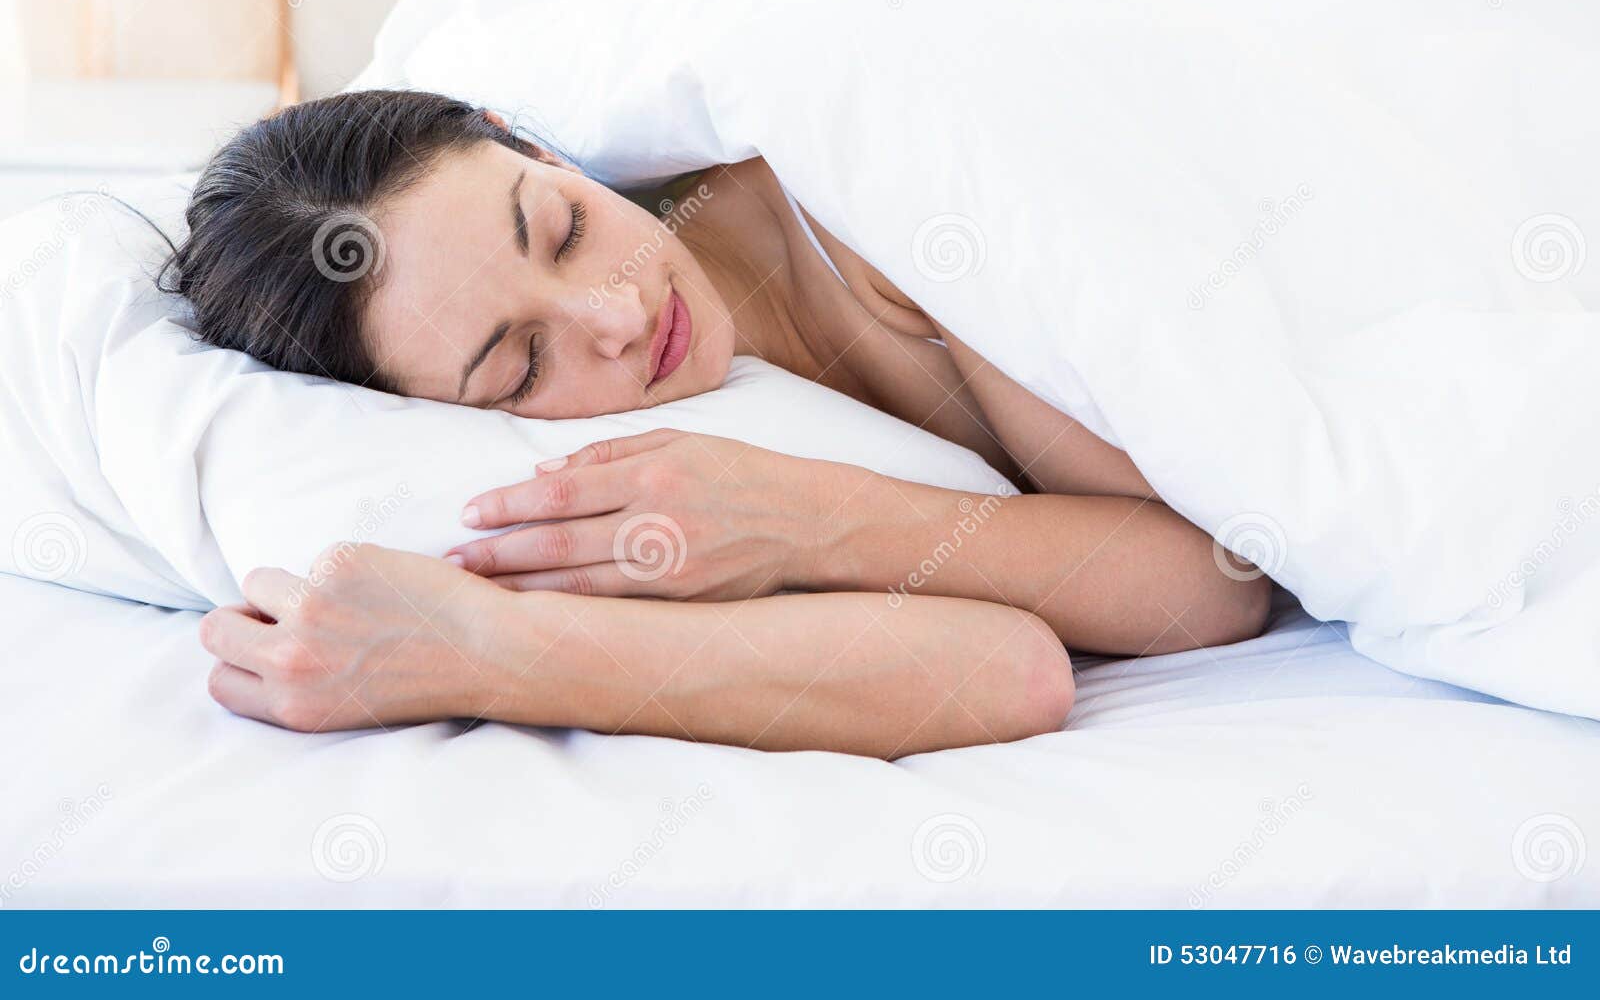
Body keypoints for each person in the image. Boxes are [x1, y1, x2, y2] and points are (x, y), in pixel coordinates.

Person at [171, 90, 1270, 757]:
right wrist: (487, 650)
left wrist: (804, 517)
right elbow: (1002, 669)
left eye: (560, 229)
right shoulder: (567, 481)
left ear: (540, 149)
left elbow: (1213, 580)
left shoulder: (878, 210)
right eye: (519, 364)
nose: (614, 315)